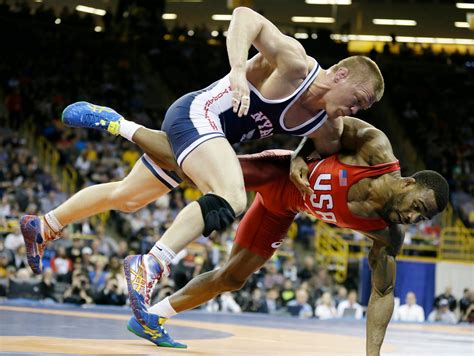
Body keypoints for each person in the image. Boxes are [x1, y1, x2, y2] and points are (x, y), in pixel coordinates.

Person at [25, 5, 384, 327]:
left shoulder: (327, 126)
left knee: (128, 197)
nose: (354, 111)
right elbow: (244, 16)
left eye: (361, 110)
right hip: (198, 114)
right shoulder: (295, 64)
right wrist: (239, 72)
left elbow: (322, 155)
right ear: (339, 75)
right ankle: (150, 265)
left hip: (210, 140)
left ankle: (45, 224)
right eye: (357, 101)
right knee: (230, 195)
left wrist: (301, 161)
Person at [25, 114, 448, 353]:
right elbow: (327, 121)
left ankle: (153, 318)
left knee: (232, 277)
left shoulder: (387, 234)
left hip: (284, 207)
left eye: (421, 218)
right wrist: (302, 157)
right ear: (409, 182)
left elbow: (382, 293)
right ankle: (120, 125)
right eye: (418, 208)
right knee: (184, 165)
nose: (414, 218)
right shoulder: (375, 150)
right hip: (278, 170)